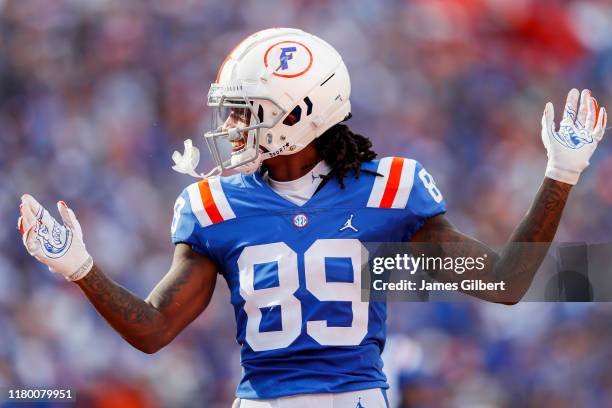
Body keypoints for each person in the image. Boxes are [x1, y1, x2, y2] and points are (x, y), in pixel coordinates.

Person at [17, 28, 607, 408]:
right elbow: (153, 331)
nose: (231, 129)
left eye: (246, 113)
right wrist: (81, 268)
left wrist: (561, 173)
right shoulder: (215, 205)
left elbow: (505, 282)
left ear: (298, 114)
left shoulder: (390, 190)